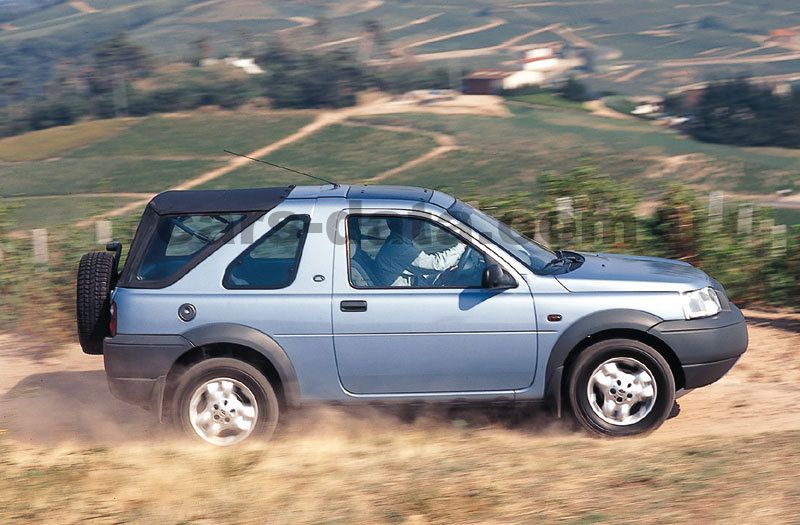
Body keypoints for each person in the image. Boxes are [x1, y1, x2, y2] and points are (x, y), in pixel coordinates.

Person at [373, 217, 466, 287]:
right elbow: (437, 265)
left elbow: (416, 276)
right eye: (415, 221)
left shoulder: (396, 244)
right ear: (405, 225)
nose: (420, 224)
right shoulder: (398, 249)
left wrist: (440, 279)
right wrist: (462, 246)